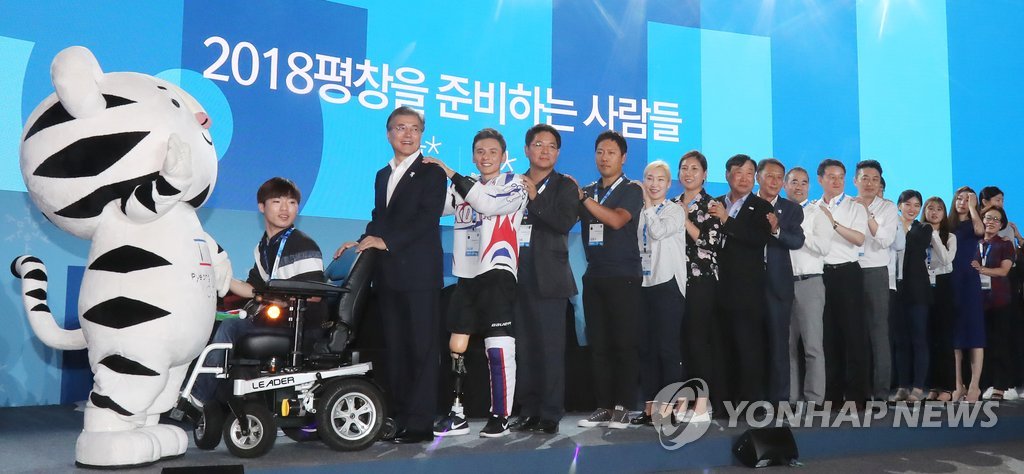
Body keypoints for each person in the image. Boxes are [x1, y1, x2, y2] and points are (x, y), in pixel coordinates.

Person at [334, 106, 446, 443]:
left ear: (422, 134)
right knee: (396, 351)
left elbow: (426, 219)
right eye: (401, 127)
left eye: (415, 128)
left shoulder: (432, 173)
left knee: (422, 351)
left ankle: (420, 424)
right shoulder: (383, 174)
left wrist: (387, 241)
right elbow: (379, 219)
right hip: (388, 277)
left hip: (419, 276)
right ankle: (397, 418)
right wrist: (363, 240)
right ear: (388, 133)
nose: (408, 134)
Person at [425, 128, 528, 438]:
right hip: (466, 275)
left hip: (498, 271)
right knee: (456, 344)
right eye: (480, 151)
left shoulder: (515, 184)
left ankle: (501, 416)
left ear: (504, 156)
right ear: (473, 156)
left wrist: (451, 173)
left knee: (498, 346)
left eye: (493, 152)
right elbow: (432, 206)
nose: (486, 157)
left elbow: (487, 204)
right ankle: (457, 413)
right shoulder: (462, 187)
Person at [192, 177, 326, 406]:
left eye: (292, 203)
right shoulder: (264, 246)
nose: (285, 209)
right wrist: (219, 276)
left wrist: (281, 300)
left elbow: (314, 294)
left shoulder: (303, 245)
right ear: (262, 207)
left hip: (300, 326)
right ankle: (214, 400)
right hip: (278, 321)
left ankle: (199, 397)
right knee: (216, 322)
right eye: (277, 201)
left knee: (230, 327)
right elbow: (253, 289)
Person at [508, 124, 580, 435]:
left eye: (551, 146)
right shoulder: (512, 183)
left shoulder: (566, 186)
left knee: (550, 349)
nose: (545, 150)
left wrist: (535, 198)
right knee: (524, 348)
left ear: (558, 152)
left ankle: (550, 412)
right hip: (515, 275)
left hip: (550, 278)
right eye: (539, 144)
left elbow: (563, 222)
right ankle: (528, 410)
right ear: (527, 150)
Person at [574, 130, 643, 429]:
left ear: (623, 157)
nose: (604, 158)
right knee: (598, 345)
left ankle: (623, 407)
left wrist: (584, 199)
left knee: (623, 344)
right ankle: (603, 406)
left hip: (624, 276)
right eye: (600, 152)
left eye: (611, 153)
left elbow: (616, 220)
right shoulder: (589, 190)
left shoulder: (632, 189)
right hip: (594, 276)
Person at [708, 154, 773, 409]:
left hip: (747, 291)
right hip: (716, 288)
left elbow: (756, 239)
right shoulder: (713, 203)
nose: (744, 178)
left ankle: (749, 404)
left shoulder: (762, 207)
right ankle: (722, 404)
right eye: (738, 172)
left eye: (749, 173)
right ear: (727, 175)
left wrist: (727, 220)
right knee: (720, 349)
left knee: (748, 348)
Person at [631, 160, 687, 426]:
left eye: (660, 180)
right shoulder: (640, 211)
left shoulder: (675, 210)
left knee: (668, 349)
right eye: (649, 179)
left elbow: (657, 231)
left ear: (668, 184)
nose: (654, 184)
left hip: (668, 284)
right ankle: (650, 409)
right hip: (644, 284)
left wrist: (648, 206)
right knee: (646, 349)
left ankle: (670, 408)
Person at [815, 159, 869, 408]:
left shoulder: (855, 206)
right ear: (820, 179)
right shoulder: (813, 207)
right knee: (828, 336)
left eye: (841, 177)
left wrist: (833, 223)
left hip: (848, 273)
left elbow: (859, 238)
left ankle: (857, 396)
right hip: (821, 274)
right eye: (831, 177)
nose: (836, 181)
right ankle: (832, 395)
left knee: (853, 335)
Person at [670, 150, 719, 422]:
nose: (688, 173)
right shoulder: (671, 203)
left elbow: (709, 243)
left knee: (698, 341)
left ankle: (702, 403)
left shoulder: (712, 205)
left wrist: (685, 219)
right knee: (679, 342)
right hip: (674, 280)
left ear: (704, 174)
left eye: (694, 169)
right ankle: (683, 401)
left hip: (701, 281)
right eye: (684, 168)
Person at [758, 158, 805, 403]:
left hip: (778, 285)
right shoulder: (745, 204)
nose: (774, 181)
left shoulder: (791, 209)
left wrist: (776, 230)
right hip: (747, 285)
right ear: (758, 177)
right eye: (770, 176)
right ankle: (753, 399)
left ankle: (780, 400)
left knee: (779, 345)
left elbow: (797, 241)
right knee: (751, 344)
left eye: (779, 177)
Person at [853, 161, 899, 401]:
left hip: (875, 272)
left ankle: (880, 391)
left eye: (875, 179)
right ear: (855, 181)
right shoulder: (846, 204)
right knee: (854, 332)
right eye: (865, 178)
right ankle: (858, 390)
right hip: (849, 270)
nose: (870, 183)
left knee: (878, 332)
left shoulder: (887, 208)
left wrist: (867, 214)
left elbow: (884, 240)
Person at [785, 167, 831, 404]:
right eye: (794, 182)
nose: (799, 187)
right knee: (787, 346)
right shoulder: (777, 212)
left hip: (809, 283)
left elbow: (824, 247)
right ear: (785, 185)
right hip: (782, 284)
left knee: (812, 346)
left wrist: (798, 231)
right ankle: (791, 398)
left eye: (804, 182)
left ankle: (814, 399)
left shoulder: (816, 213)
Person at [890, 190, 932, 401]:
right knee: (900, 341)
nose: (912, 209)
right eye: (908, 204)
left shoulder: (923, 228)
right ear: (899, 205)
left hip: (917, 291)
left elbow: (914, 246)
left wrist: (902, 229)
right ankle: (902, 386)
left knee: (918, 339)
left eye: (917, 205)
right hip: (895, 289)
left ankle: (918, 387)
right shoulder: (890, 226)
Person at [974, 206, 1017, 400]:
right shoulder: (977, 243)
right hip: (978, 302)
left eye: (995, 219)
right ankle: (984, 384)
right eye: (987, 217)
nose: (990, 222)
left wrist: (981, 269)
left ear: (1001, 225)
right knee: (982, 344)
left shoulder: (1005, 244)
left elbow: (1004, 270)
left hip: (1000, 301)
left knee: (1000, 342)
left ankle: (1000, 385)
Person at [948, 186, 985, 402]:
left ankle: (974, 385)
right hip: (950, 281)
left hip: (969, 281)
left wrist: (973, 208)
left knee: (975, 333)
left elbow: (980, 231)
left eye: (967, 199)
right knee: (955, 336)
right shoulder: (948, 225)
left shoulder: (973, 223)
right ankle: (957, 384)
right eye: (959, 199)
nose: (962, 202)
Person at [922, 196, 957, 402]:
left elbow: (946, 259)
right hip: (923, 285)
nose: (934, 212)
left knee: (944, 338)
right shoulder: (917, 234)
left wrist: (934, 235)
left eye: (939, 209)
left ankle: (948, 388)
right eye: (930, 208)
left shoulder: (950, 236)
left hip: (943, 285)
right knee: (929, 338)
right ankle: (933, 386)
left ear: (944, 214)